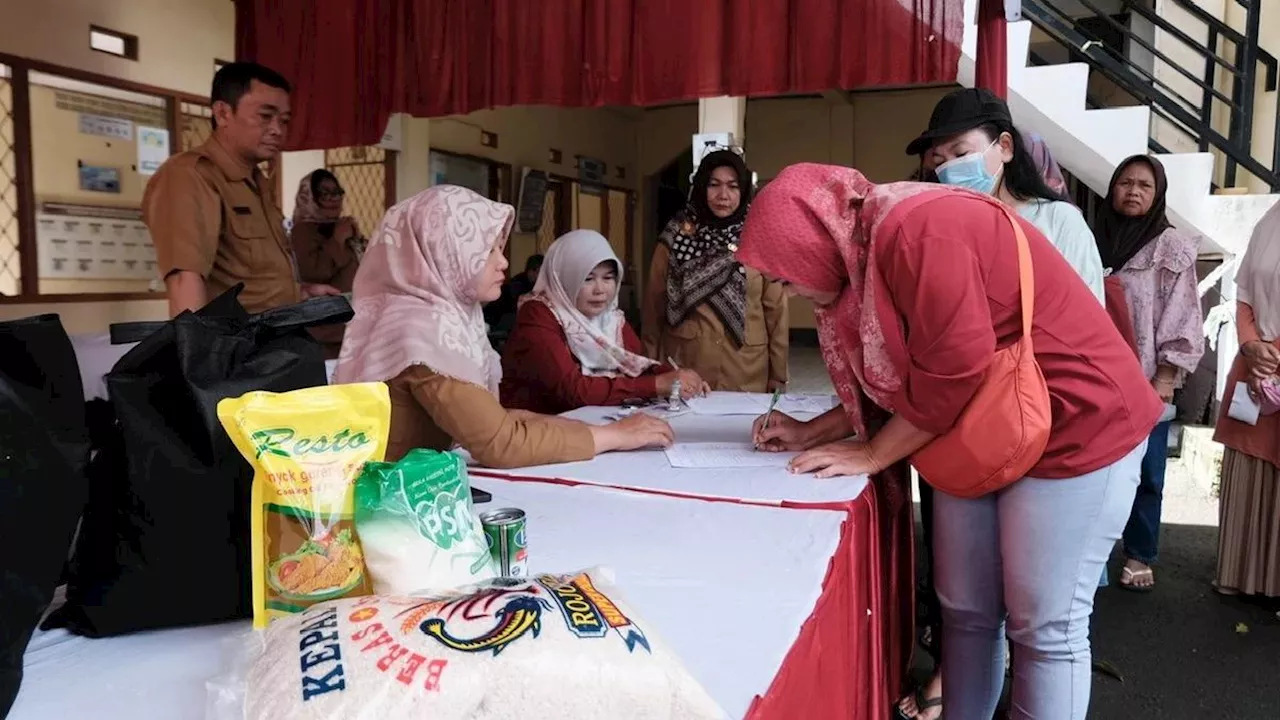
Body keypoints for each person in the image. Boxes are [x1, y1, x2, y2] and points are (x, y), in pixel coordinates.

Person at [739, 163, 1161, 720]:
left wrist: (871, 453)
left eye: (783, 273)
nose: (786, 291)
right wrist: (811, 431)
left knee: (1045, 628)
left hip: (1079, 427)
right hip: (982, 430)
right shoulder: (868, 251)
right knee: (966, 613)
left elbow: (953, 374)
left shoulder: (915, 232)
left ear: (810, 242)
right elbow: (904, 375)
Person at [333, 185, 674, 468]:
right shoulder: (420, 330)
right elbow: (500, 443)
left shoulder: (445, 316)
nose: (504, 262)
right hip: (384, 506)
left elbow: (496, 419)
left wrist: (596, 431)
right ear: (446, 252)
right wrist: (614, 436)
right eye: (488, 250)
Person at [143, 62, 340, 317]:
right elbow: (184, 280)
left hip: (275, 344)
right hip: (234, 350)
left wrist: (299, 294)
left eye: (284, 120)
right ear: (223, 113)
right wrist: (200, 354)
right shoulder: (190, 175)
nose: (277, 130)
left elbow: (250, 281)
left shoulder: (257, 184)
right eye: (265, 116)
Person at [1093, 154, 1205, 592]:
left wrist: (1164, 378)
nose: (1133, 191)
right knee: (1093, 469)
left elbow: (1181, 316)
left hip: (1144, 378)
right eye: (1125, 182)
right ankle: (1094, 550)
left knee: (1147, 471)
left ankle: (1140, 552)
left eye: (1144, 185)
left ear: (1157, 195)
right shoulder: (1091, 234)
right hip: (1094, 375)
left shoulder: (1168, 246)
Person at [909, 88, 1104, 303]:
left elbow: (1089, 315)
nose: (950, 169)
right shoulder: (944, 229)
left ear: (1005, 147)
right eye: (939, 162)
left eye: (961, 154)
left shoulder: (1058, 220)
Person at [500, 230, 709, 414]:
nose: (600, 290)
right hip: (536, 431)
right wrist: (657, 384)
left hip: (590, 428)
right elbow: (571, 390)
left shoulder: (610, 318)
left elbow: (633, 365)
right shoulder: (538, 314)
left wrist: (680, 379)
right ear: (563, 278)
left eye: (608, 278)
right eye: (588, 279)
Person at [642, 150, 788, 392]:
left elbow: (776, 310)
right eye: (714, 185)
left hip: (747, 367)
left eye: (732, 186)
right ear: (701, 187)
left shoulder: (759, 237)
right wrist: (650, 367)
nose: (723, 196)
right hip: (688, 363)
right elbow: (654, 306)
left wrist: (779, 373)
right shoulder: (675, 237)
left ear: (743, 190)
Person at [1212, 202, 1280, 600]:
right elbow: (1244, 293)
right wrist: (1251, 344)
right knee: (1251, 465)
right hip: (1255, 364)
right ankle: (1243, 576)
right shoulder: (1270, 220)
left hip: (1266, 362)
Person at [290, 169, 366, 358]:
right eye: (325, 193)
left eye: (337, 193)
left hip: (351, 326)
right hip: (323, 331)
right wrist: (337, 240)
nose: (333, 199)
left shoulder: (342, 225)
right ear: (311, 197)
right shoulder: (303, 232)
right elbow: (313, 272)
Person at [484, 254, 544, 331]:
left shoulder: (531, 283)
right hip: (495, 322)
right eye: (541, 272)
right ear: (531, 271)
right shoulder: (517, 285)